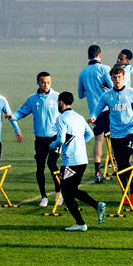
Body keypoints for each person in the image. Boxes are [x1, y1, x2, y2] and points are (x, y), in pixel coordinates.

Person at [90, 65, 133, 205]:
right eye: (114, 77)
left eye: (119, 77)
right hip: (115, 134)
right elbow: (96, 110)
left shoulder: (132, 93)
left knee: (125, 162)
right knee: (120, 167)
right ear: (111, 78)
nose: (117, 80)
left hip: (130, 132)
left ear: (123, 77)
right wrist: (93, 117)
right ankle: (125, 194)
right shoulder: (107, 95)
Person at [51, 91, 105, 231]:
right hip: (82, 160)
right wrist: (78, 143)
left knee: (67, 192)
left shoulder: (61, 118)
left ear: (61, 102)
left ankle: (83, 221)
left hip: (70, 161)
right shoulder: (79, 117)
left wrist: (51, 146)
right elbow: (90, 134)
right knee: (71, 190)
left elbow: (60, 140)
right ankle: (93, 209)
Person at [12, 72, 61, 207]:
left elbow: (66, 114)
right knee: (40, 168)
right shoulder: (32, 99)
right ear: (38, 83)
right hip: (39, 140)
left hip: (55, 138)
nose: (46, 85)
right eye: (43, 82)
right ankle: (43, 196)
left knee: (52, 164)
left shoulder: (57, 97)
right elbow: (21, 112)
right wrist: (12, 116)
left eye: (48, 82)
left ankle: (58, 191)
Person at [77, 45, 112, 183]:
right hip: (108, 109)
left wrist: (91, 90)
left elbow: (80, 94)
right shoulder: (105, 69)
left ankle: (97, 172)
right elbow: (113, 86)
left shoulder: (83, 72)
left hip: (94, 113)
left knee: (99, 140)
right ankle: (117, 168)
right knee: (115, 139)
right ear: (100, 55)